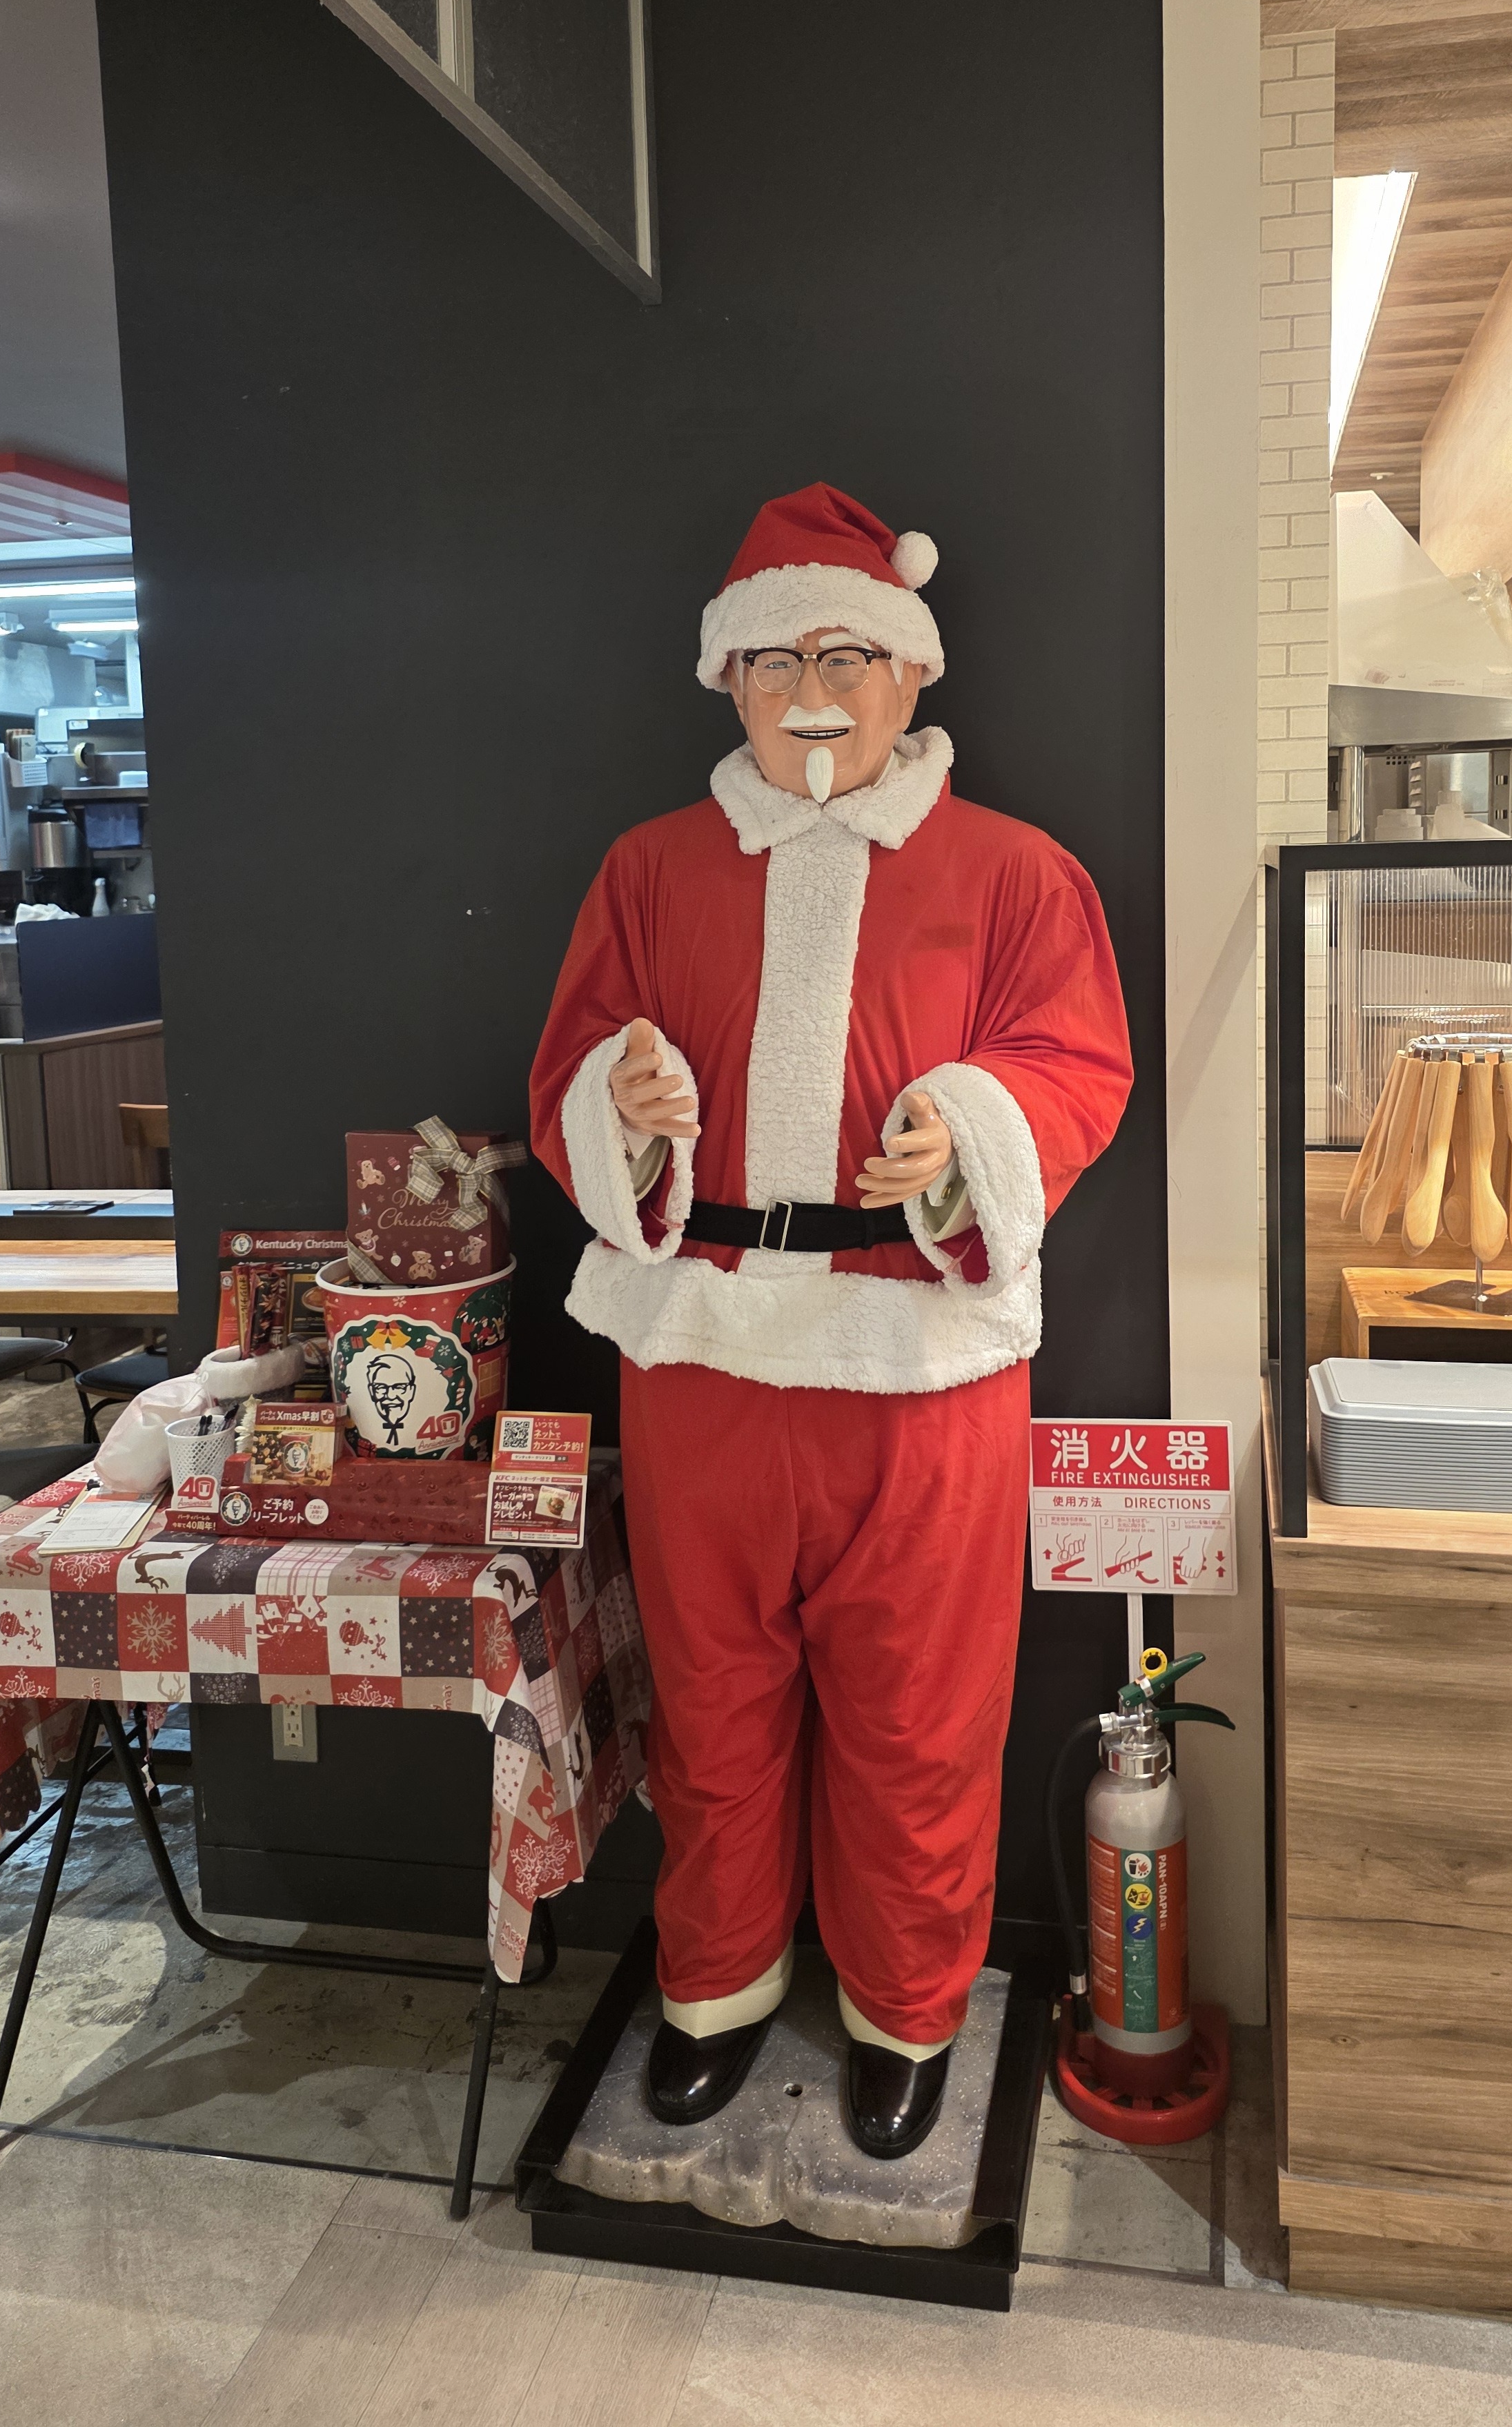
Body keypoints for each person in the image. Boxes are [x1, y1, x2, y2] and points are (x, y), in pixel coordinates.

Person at [530, 482, 1131, 2159]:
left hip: (918, 1356)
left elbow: (1077, 1063)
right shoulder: (647, 868)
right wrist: (625, 1106)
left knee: (921, 1714)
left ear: (911, 671)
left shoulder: (1019, 872)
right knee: (711, 1702)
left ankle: (907, 2007)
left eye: (847, 655)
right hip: (704, 1350)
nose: (813, 689)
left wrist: (972, 1126)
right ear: (727, 676)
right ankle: (715, 1986)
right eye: (777, 659)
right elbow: (573, 1059)